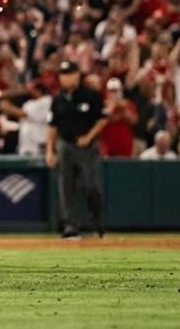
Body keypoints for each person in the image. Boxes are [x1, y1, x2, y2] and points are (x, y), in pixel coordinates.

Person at [47, 60, 107, 240]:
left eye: (69, 74)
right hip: (65, 145)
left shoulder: (90, 95)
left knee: (91, 186)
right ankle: (70, 226)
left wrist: (89, 136)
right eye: (63, 75)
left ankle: (97, 222)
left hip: (87, 147)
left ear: (77, 75)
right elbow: (52, 126)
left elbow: (103, 119)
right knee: (66, 188)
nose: (66, 78)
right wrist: (50, 150)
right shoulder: (58, 99)